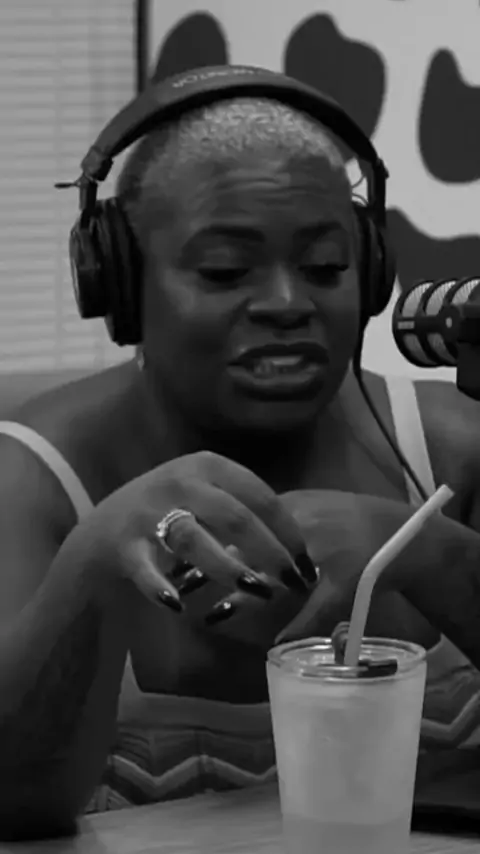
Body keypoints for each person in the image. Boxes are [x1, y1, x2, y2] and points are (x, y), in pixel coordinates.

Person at [1, 74, 480, 841]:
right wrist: (91, 568)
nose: (288, 302)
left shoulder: (450, 449)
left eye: (326, 266)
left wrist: (436, 556)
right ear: (118, 285)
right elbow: (15, 806)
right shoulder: (30, 483)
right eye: (225, 271)